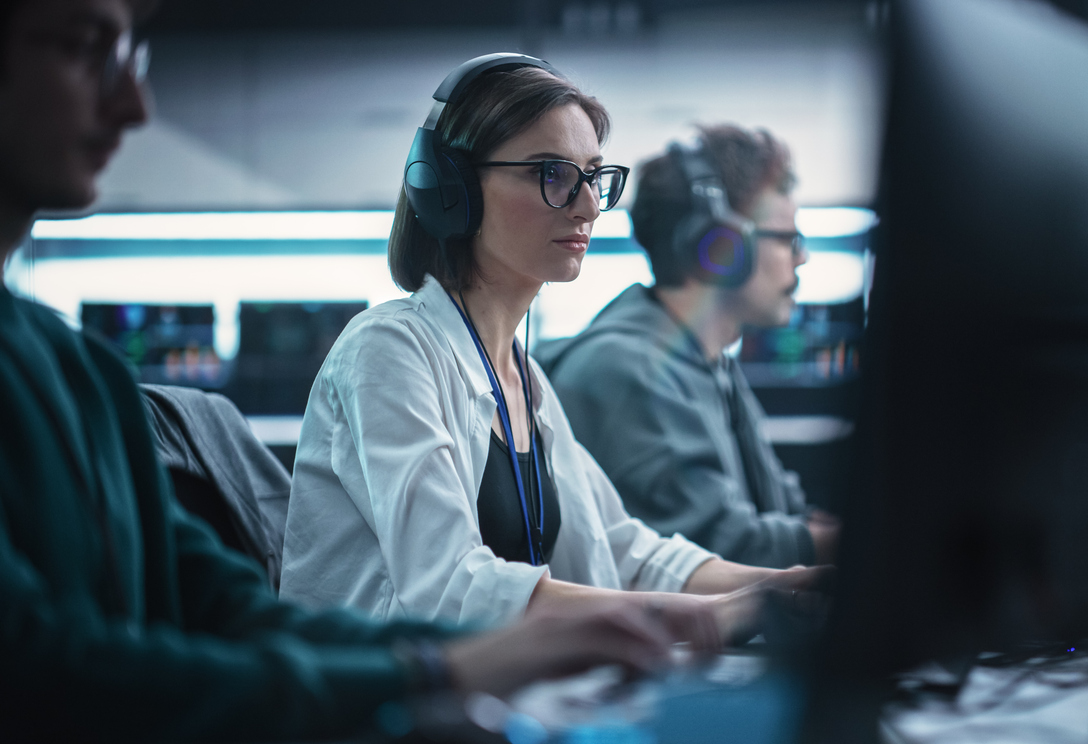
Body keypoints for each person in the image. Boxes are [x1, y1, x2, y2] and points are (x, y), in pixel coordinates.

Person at [0, 2, 679, 740]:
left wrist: (487, 656)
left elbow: (237, 615)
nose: (135, 106)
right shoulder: (388, 350)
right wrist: (444, 669)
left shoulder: (82, 372)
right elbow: (42, 670)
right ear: (448, 187)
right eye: (77, 46)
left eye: (132, 60)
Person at [278, 56, 820, 642]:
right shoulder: (388, 352)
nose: (588, 207)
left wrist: (784, 583)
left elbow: (627, 550)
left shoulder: (521, 374)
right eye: (553, 174)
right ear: (452, 187)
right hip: (378, 708)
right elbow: (448, 588)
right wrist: (714, 616)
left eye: (593, 177)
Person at [539, 125, 841, 568]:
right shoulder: (628, 371)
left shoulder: (710, 364)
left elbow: (783, 508)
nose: (802, 258)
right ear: (721, 247)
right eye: (788, 240)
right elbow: (720, 551)